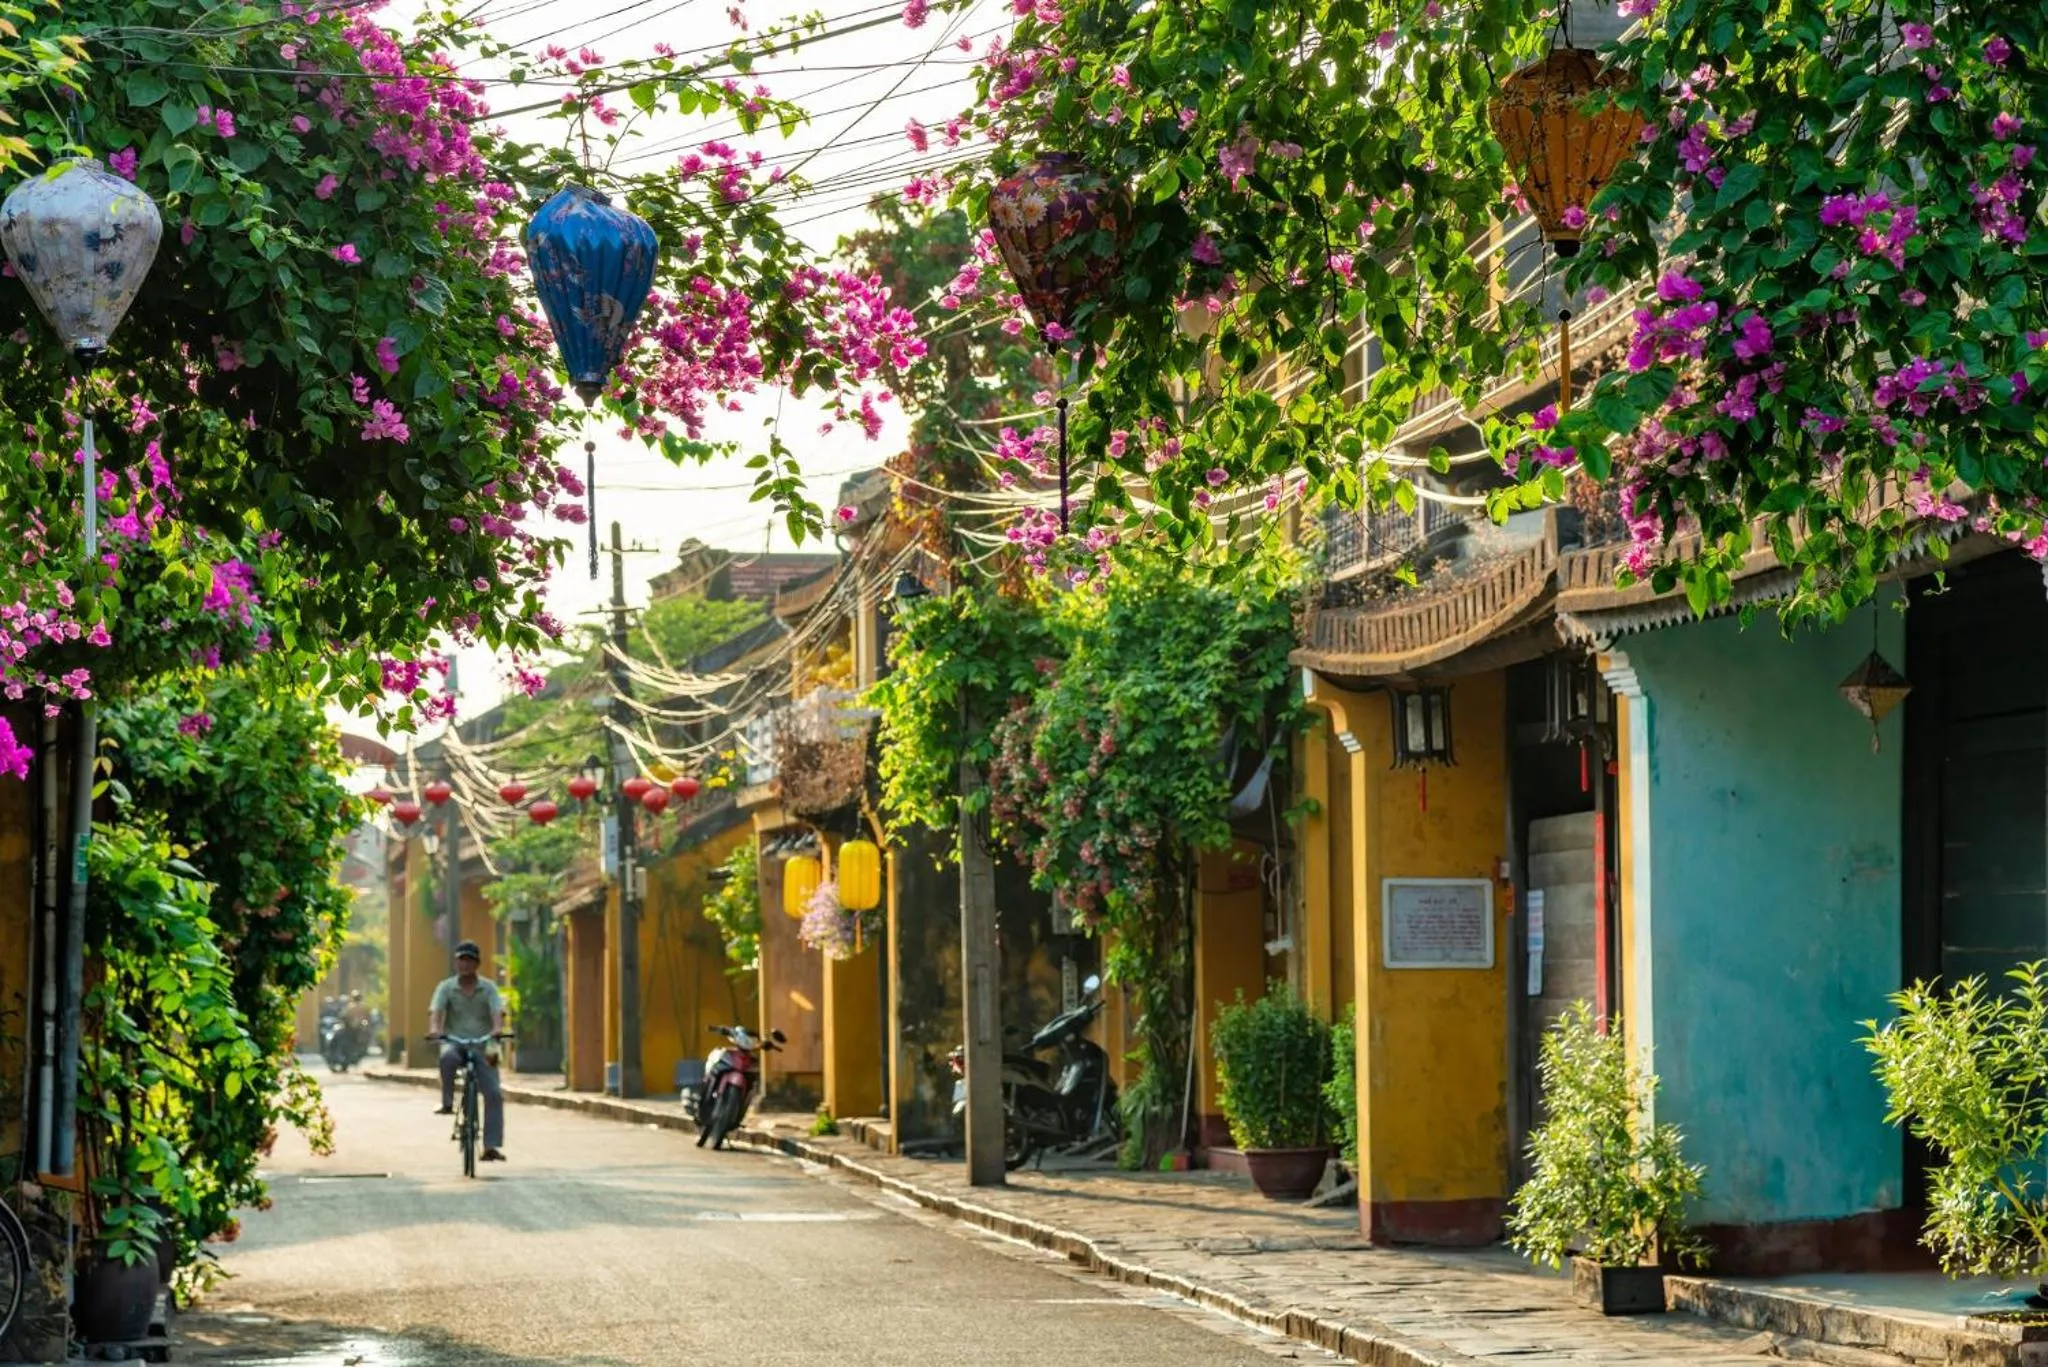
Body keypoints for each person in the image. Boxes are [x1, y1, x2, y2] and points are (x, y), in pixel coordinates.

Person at [429, 941, 508, 1162]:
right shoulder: (446, 987)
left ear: (477, 963)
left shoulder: (489, 987)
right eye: (461, 959)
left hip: (486, 1044)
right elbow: (436, 1010)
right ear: (456, 962)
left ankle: (491, 1145)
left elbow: (497, 1011)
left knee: (494, 1093)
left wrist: (497, 1029)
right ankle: (447, 1102)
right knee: (446, 1058)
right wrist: (435, 1030)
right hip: (456, 1042)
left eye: (469, 960)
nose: (465, 964)